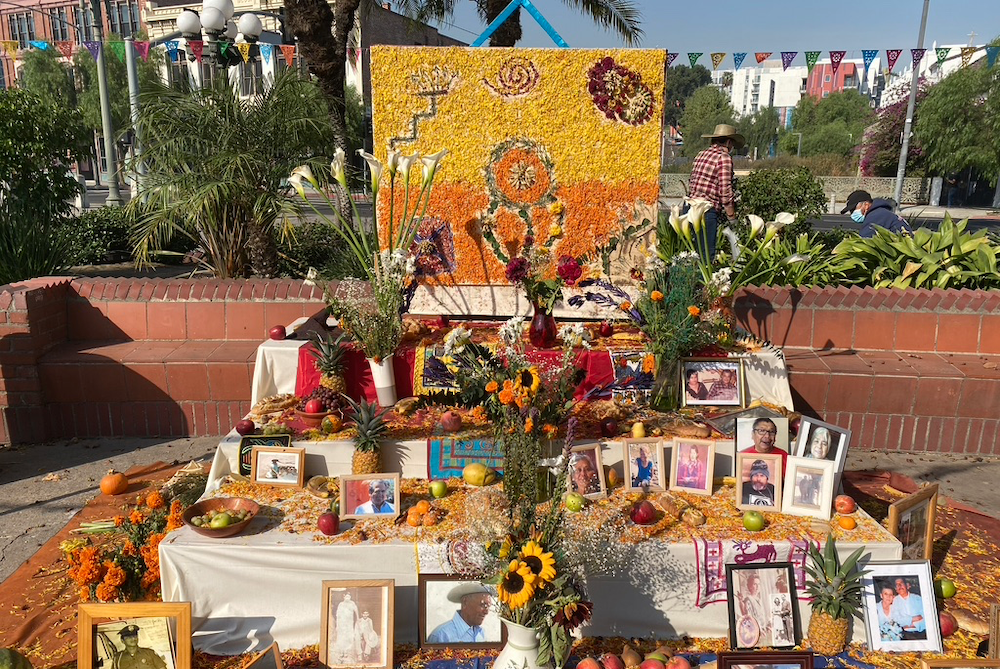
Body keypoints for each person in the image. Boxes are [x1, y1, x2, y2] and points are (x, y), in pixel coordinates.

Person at [687, 124, 745, 257]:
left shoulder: (701, 154)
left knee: (694, 255)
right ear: (729, 142)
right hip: (706, 212)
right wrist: (732, 219)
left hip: (690, 208)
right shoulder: (723, 158)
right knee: (707, 256)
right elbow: (725, 192)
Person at [426, 583, 492, 644]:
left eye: (488, 606)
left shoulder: (481, 633)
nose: (486, 612)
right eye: (483, 605)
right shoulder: (441, 636)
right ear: (465, 602)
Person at [841, 190, 913, 238]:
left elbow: (865, 241)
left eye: (853, 209)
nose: (852, 213)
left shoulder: (876, 216)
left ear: (866, 205)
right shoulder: (880, 212)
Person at [333, 592, 360, 663]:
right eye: (346, 596)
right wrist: (337, 625)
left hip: (349, 623)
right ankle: (341, 652)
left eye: (349, 596)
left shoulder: (352, 603)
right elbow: (337, 615)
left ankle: (346, 652)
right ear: (344, 597)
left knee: (348, 637)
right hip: (342, 624)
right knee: (342, 638)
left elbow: (356, 610)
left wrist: (358, 618)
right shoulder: (341, 604)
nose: (348, 597)